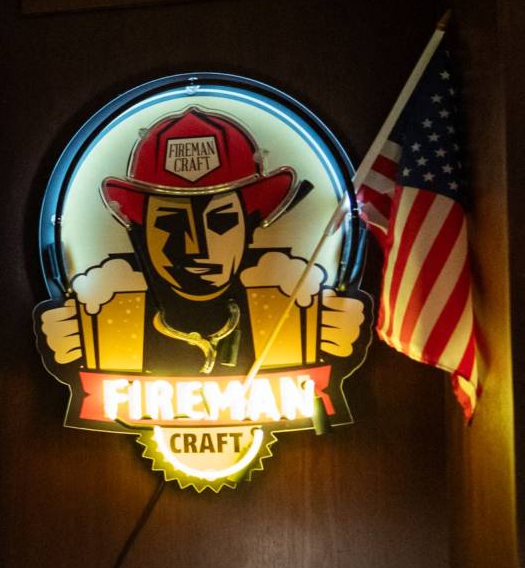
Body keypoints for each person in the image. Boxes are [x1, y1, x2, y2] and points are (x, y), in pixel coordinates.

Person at [38, 106, 366, 377]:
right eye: (170, 223)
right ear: (137, 229)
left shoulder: (292, 303)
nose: (197, 248)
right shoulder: (106, 307)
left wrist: (328, 326)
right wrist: (76, 330)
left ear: (251, 225)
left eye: (221, 221)